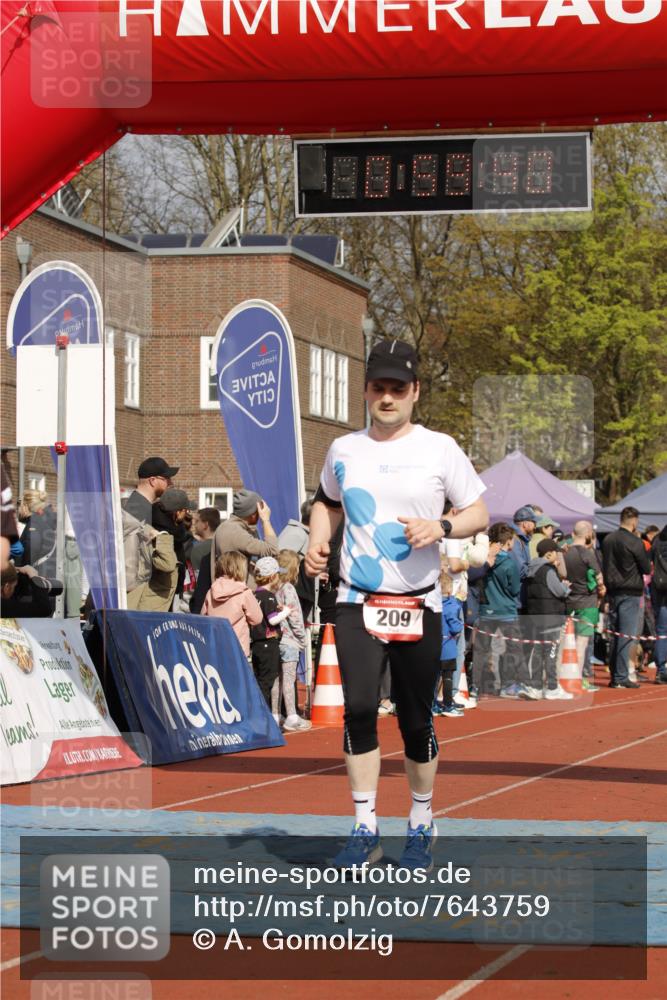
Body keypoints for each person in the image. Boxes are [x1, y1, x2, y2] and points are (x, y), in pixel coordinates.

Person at [305, 338, 488, 871]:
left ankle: (422, 819)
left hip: (419, 603)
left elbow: (478, 509)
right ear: (365, 391)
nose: (387, 398)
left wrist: (443, 525)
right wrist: (317, 540)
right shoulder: (344, 449)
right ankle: (365, 826)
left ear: (415, 393)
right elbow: (326, 502)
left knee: (414, 720)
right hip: (356, 600)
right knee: (360, 710)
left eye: (398, 389)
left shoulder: (440, 448)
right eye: (379, 388)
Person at [474, 522, 532, 699]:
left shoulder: (482, 561)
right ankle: (512, 685)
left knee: (482, 650)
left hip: (486, 610)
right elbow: (514, 589)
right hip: (506, 612)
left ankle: (476, 686)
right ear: (508, 542)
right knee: (514, 649)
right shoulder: (509, 563)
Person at [602, 506, 651, 689]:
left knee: (615, 634)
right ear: (634, 521)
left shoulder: (608, 539)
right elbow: (646, 568)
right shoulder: (634, 541)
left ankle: (616, 674)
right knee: (626, 635)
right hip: (630, 591)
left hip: (613, 590)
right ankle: (621, 676)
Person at [525, 538, 573, 699]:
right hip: (550, 617)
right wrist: (565, 586)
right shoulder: (548, 571)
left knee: (538, 653)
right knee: (551, 654)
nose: (558, 557)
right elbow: (559, 591)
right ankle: (552, 687)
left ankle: (536, 687)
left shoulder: (531, 569)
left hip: (535, 617)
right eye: (556, 553)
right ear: (549, 554)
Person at [564, 520, 605, 692]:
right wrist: (601, 591)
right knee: (581, 644)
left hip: (568, 600)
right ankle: (577, 680)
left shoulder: (564, 552)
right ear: (589, 535)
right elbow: (599, 578)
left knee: (567, 642)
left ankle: (564, 678)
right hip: (587, 603)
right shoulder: (589, 554)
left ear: (573, 533)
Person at [210, 489, 279, 589]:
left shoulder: (227, 527)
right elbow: (272, 549)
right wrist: (266, 520)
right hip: (236, 598)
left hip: (229, 594)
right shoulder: (236, 532)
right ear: (253, 514)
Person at [250, 556, 294, 713]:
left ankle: (263, 714)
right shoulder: (268, 596)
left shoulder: (254, 595)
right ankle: (263, 715)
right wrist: (287, 612)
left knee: (260, 678)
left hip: (256, 644)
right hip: (268, 643)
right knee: (267, 681)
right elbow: (273, 620)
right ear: (273, 577)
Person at [273, 549, 310, 732]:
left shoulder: (274, 588)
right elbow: (295, 616)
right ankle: (292, 716)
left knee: (277, 679)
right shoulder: (289, 588)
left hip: (277, 639)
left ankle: (275, 714)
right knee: (288, 679)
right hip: (290, 640)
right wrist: (302, 637)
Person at [201, 551, 263, 659]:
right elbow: (257, 619)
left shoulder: (211, 591)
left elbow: (203, 617)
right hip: (237, 647)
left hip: (215, 646)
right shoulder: (244, 593)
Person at [434, 567, 465, 718]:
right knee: (447, 677)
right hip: (448, 647)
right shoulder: (451, 606)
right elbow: (455, 626)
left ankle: (433, 703)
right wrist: (459, 627)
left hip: (435, 646)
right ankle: (447, 704)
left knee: (434, 677)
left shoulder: (434, 604)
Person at [123, 456, 179, 526]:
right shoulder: (137, 508)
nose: (171, 483)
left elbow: (145, 532)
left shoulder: (139, 505)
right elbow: (134, 535)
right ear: (152, 481)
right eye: (167, 479)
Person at [509, 505, 537, 608]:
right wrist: (538, 569)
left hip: (519, 598)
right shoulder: (515, 540)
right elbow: (519, 570)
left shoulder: (522, 540)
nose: (535, 526)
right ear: (525, 524)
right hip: (515, 600)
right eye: (534, 522)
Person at [650, 525, 667, 684]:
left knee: (661, 632)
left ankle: (661, 670)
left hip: (660, 590)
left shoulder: (657, 540)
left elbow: (649, 562)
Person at [190, 507, 221, 574]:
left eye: (197, 521)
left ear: (205, 525)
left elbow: (195, 577)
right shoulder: (225, 545)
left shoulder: (198, 549)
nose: (195, 524)